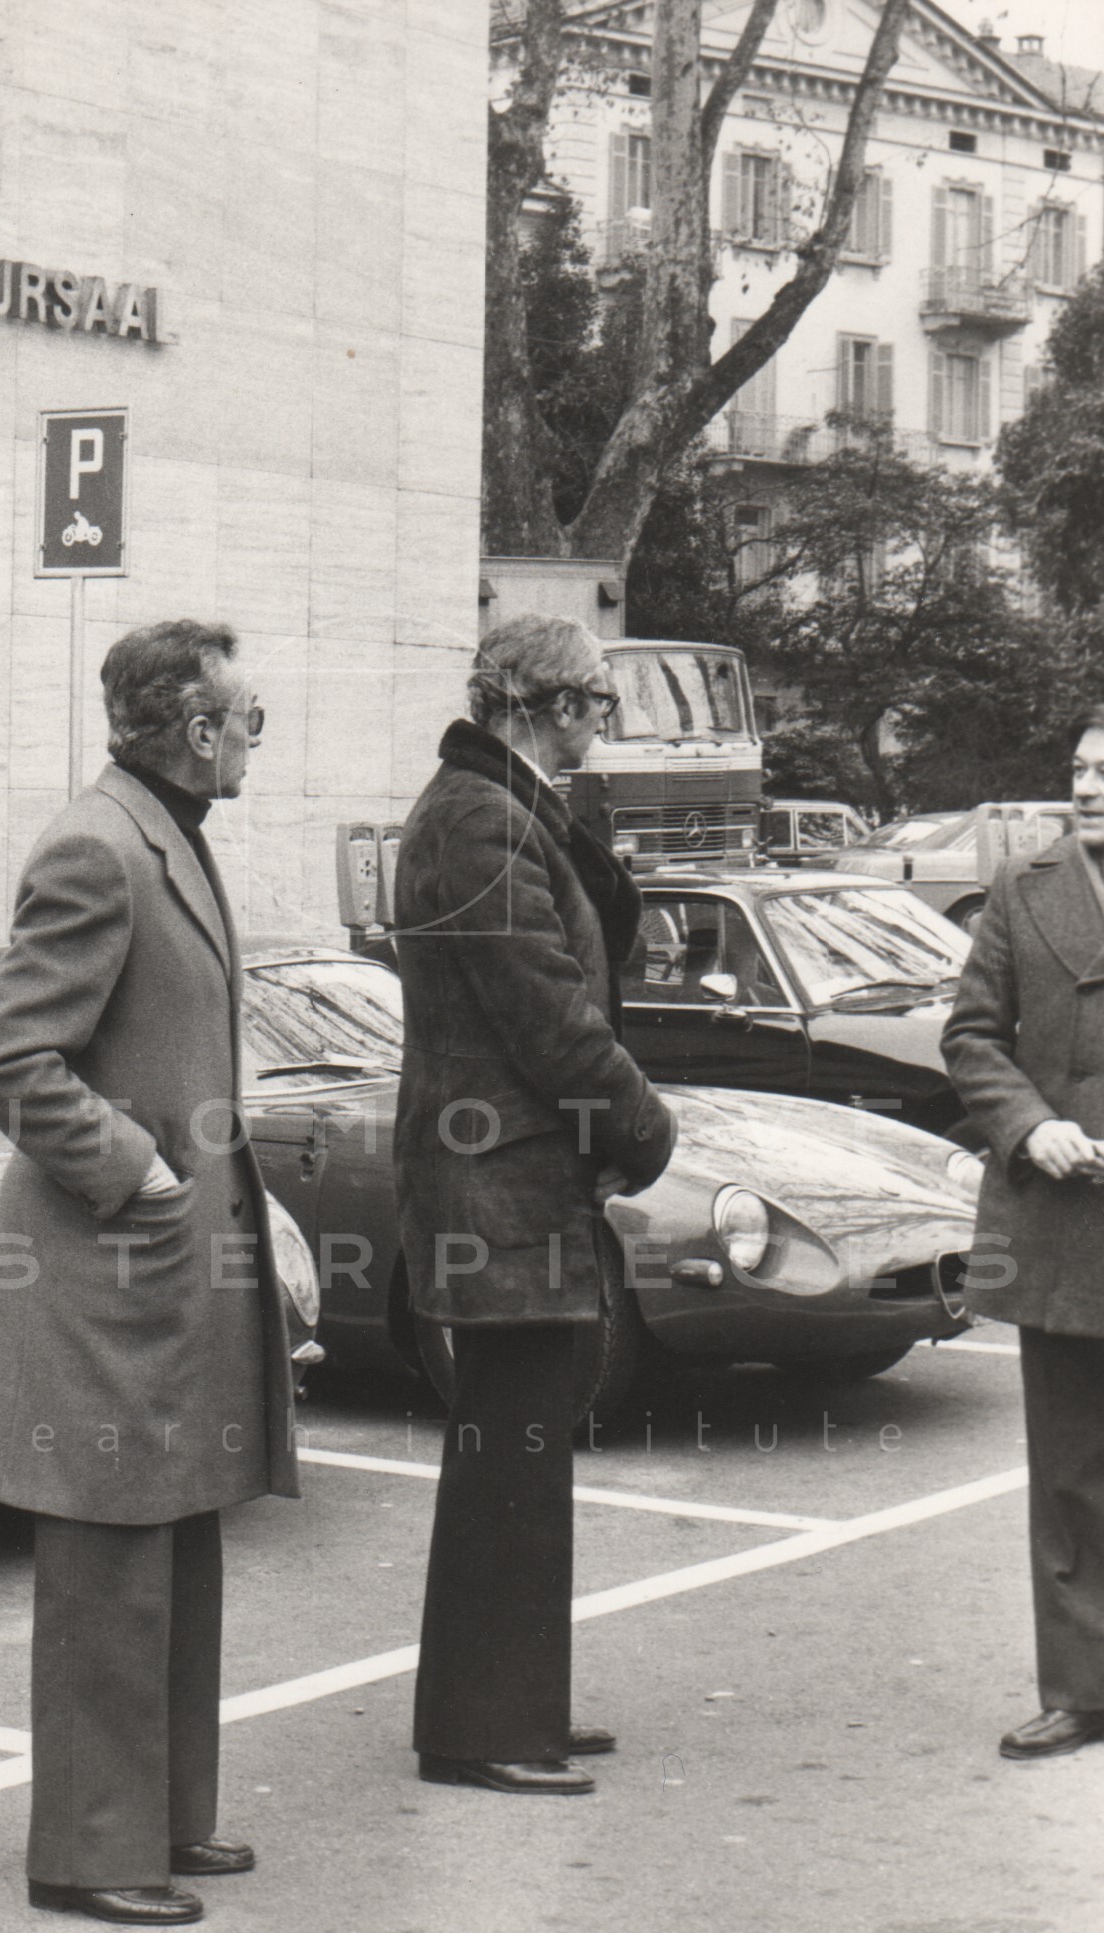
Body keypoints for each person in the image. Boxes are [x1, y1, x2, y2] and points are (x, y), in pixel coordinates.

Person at [0, 619, 298, 1922]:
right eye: (248, 718)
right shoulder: (99, 847)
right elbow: (10, 1059)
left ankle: (164, 1817)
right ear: (195, 730)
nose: (256, 738)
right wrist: (141, 1171)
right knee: (110, 1561)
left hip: (160, 1274)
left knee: (175, 1543)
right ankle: (92, 1854)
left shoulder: (164, 832)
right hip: (110, 1270)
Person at [391, 613, 675, 1796]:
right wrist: (646, 1132)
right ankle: (485, 1729)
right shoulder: (479, 817)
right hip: (497, 1180)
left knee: (518, 1452)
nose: (604, 723)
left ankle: (512, 1706)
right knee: (507, 1459)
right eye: (599, 703)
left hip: (511, 1174)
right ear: (552, 705)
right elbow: (549, 1015)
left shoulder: (496, 806)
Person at [942, 701, 1104, 1760]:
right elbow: (971, 1036)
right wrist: (1031, 1125)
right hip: (1060, 1212)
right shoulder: (1022, 887)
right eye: (1080, 769)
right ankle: (1090, 1683)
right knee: (1070, 1460)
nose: (1086, 787)